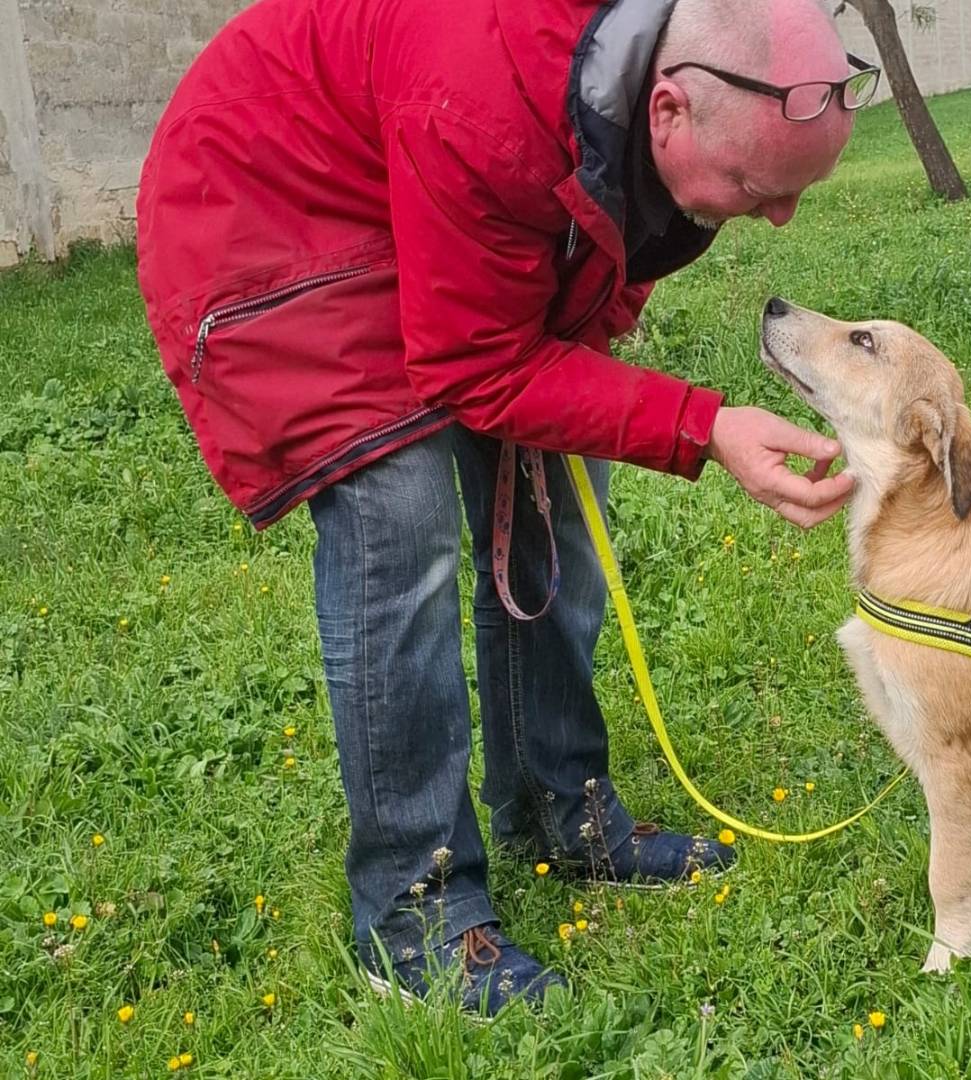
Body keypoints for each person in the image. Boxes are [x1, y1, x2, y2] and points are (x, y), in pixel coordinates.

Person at [136, 0, 877, 1015]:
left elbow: (614, 249)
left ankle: (555, 809)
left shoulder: (648, 100)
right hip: (270, 202)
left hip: (416, 169)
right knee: (398, 520)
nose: (779, 215)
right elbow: (475, 363)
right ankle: (411, 914)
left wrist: (607, 356)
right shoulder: (488, 104)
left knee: (560, 492)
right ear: (665, 108)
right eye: (760, 186)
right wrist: (702, 426)